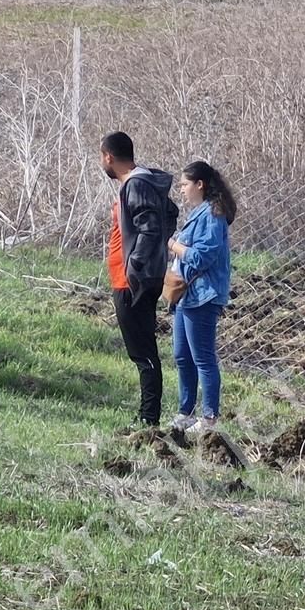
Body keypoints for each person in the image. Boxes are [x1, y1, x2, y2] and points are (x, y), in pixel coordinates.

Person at [100, 131, 176, 428]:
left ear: (108, 157)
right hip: (134, 278)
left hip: (132, 281)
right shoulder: (140, 182)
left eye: (101, 157)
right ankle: (147, 415)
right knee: (142, 350)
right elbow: (170, 213)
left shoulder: (136, 183)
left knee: (142, 351)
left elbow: (151, 226)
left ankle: (149, 418)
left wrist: (136, 264)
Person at [168, 161, 236, 436]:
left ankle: (209, 419)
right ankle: (186, 412)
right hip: (187, 295)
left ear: (200, 184)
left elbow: (202, 257)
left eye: (185, 184)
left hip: (203, 296)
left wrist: (173, 245)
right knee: (182, 355)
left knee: (203, 358)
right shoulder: (199, 213)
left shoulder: (212, 215)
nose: (182, 190)